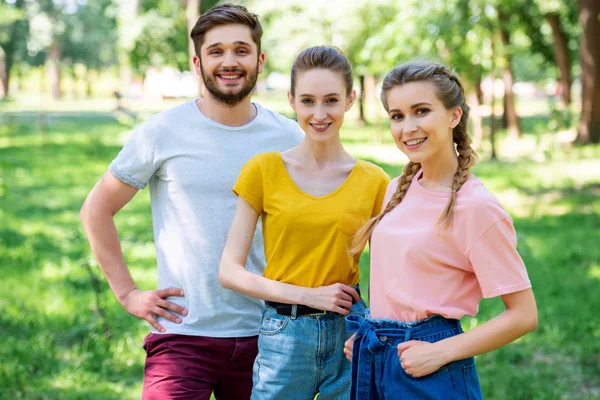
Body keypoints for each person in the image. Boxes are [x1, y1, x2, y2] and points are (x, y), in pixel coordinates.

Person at [79, 4, 303, 400]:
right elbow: (96, 209)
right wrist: (128, 294)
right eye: (216, 51)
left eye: (241, 50)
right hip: (182, 337)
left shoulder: (290, 139)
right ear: (198, 63)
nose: (229, 61)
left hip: (268, 334)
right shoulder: (161, 133)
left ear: (260, 60)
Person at [343, 62, 538, 400]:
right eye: (397, 115)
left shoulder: (476, 207)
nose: (408, 127)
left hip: (430, 366)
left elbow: (524, 315)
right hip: (378, 359)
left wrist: (442, 351)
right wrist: (374, 328)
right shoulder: (397, 189)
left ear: (454, 116)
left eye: (422, 111)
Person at [218, 46, 390, 400]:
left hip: (349, 333)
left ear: (349, 100)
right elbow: (229, 272)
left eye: (331, 100)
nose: (320, 114)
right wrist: (310, 295)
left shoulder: (374, 181)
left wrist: (370, 326)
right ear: (292, 101)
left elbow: (389, 273)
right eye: (308, 101)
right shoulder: (263, 171)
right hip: (285, 335)